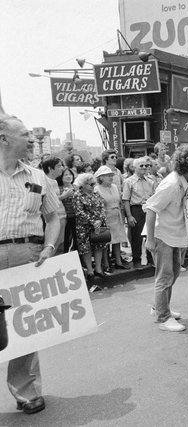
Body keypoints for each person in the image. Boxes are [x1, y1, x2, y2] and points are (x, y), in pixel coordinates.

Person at [0, 111, 61, 414]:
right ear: (4, 139)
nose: (31, 139)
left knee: (25, 325)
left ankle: (27, 391)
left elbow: (53, 216)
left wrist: (50, 247)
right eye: (24, 134)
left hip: (28, 255)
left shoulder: (38, 177)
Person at [146, 144, 188, 332]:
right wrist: (151, 239)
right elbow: (151, 208)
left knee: (175, 273)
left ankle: (160, 307)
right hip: (163, 236)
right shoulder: (171, 184)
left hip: (173, 235)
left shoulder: (184, 181)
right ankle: (163, 317)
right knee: (164, 277)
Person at [73, 173, 108, 287]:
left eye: (94, 184)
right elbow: (79, 212)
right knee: (85, 247)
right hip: (84, 226)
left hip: (98, 225)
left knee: (99, 245)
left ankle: (98, 268)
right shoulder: (77, 195)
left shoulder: (96, 194)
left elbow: (103, 207)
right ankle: (90, 270)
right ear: (83, 185)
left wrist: (99, 220)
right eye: (91, 184)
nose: (93, 186)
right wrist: (93, 221)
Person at [122, 157, 156, 270]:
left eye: (146, 165)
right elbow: (126, 200)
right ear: (135, 167)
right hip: (136, 209)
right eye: (141, 166)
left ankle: (151, 259)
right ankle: (136, 260)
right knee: (136, 236)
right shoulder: (129, 181)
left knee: (150, 234)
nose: (144, 168)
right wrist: (129, 216)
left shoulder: (150, 181)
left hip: (148, 208)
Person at [94, 166, 129, 271]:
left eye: (111, 175)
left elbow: (118, 201)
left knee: (117, 239)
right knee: (106, 241)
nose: (111, 177)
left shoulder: (114, 187)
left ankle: (118, 261)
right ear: (100, 178)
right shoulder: (97, 189)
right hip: (106, 216)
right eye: (108, 175)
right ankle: (106, 264)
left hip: (116, 215)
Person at [41, 157, 67, 254]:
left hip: (62, 217)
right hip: (52, 219)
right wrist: (64, 196)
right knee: (52, 245)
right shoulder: (44, 181)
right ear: (50, 168)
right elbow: (47, 201)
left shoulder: (55, 181)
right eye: (59, 166)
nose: (62, 168)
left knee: (60, 245)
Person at [56, 167, 77, 252]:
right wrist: (65, 195)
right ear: (61, 177)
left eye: (70, 174)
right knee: (65, 239)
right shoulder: (58, 188)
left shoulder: (76, 187)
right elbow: (54, 200)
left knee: (77, 239)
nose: (69, 176)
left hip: (76, 216)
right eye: (66, 175)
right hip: (64, 217)